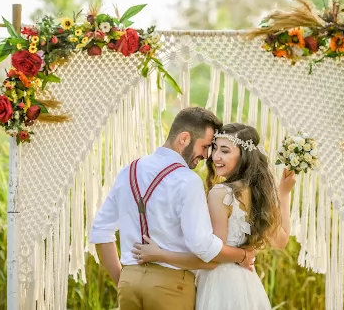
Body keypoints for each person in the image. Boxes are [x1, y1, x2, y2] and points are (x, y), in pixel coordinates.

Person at [89, 108, 256, 310]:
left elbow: (99, 232)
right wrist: (242, 255)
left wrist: (122, 280)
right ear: (184, 138)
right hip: (171, 287)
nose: (206, 156)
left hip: (129, 283)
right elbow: (202, 246)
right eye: (204, 147)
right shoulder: (187, 180)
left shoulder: (129, 171)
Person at [132, 123, 296, 310]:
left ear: (244, 156)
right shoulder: (259, 194)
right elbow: (281, 240)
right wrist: (284, 193)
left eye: (225, 151)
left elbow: (212, 256)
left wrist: (159, 255)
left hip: (220, 286)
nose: (216, 156)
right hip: (247, 285)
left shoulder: (221, 193)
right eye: (215, 148)